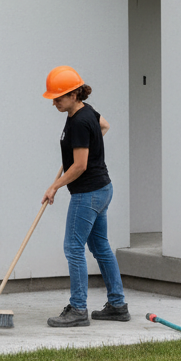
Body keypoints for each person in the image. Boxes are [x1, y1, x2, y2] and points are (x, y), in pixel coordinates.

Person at [41, 65, 129, 327]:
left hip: (88, 193)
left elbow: (79, 166)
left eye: (58, 97)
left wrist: (54, 186)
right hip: (103, 189)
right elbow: (104, 126)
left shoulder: (79, 121)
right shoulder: (87, 113)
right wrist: (87, 145)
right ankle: (117, 305)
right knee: (100, 246)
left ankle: (78, 309)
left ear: (74, 94)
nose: (54, 102)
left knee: (73, 247)